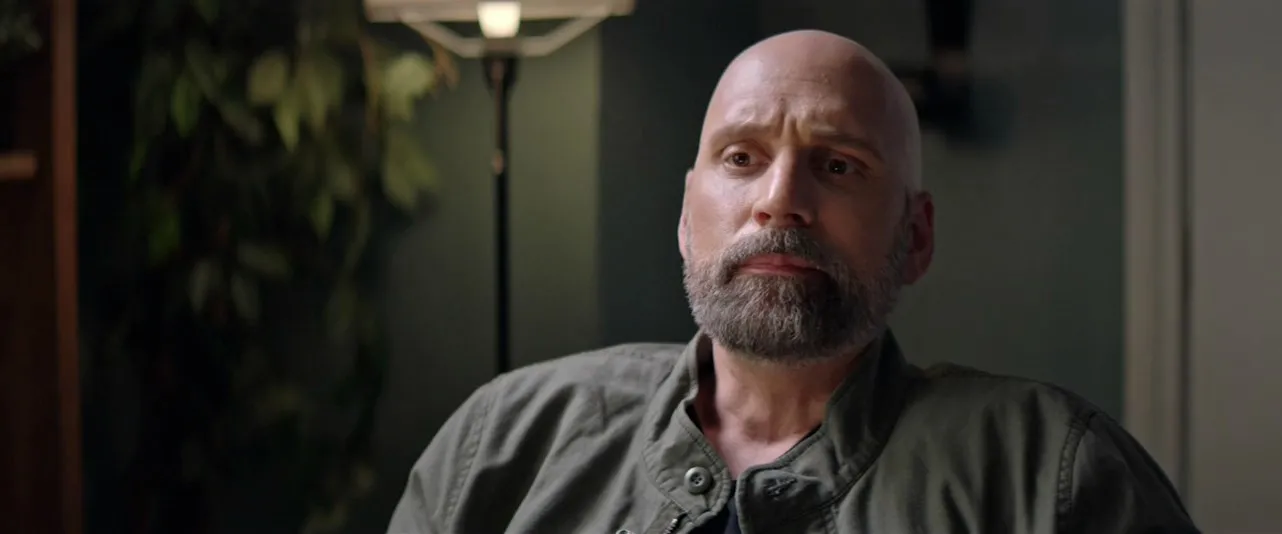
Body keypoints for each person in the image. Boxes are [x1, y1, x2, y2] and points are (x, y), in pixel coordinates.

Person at [387, 30, 1198, 534]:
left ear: (915, 237)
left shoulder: (1051, 477)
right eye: (741, 158)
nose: (780, 201)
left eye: (838, 166)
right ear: (686, 216)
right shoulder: (504, 443)